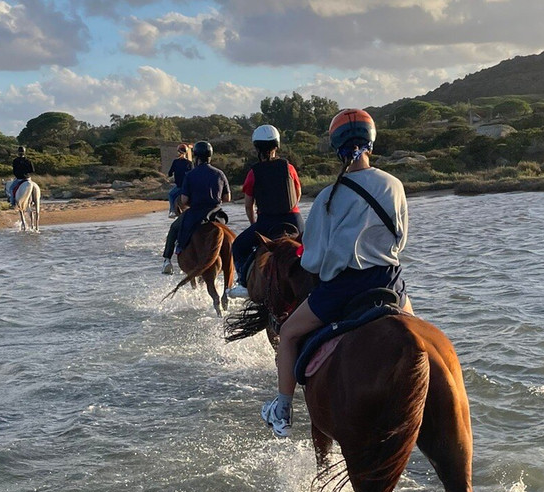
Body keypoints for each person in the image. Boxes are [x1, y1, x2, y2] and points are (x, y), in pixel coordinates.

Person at [260, 108, 409, 438]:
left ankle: (282, 411)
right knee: (420, 338)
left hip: (344, 289)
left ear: (336, 147)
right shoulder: (394, 184)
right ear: (371, 142)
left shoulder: (329, 196)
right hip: (390, 282)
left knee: (288, 334)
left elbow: (312, 261)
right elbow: (401, 240)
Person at [227, 124, 304, 298]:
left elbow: (248, 205)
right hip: (293, 219)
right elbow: (298, 193)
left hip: (266, 222)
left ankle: (243, 283)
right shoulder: (289, 168)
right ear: (277, 145)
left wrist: (254, 224)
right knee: (312, 246)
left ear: (256, 148)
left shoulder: (253, 173)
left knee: (238, 247)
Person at [162, 140, 230, 273]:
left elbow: (184, 200)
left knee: (174, 228)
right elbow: (227, 198)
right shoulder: (219, 174)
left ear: (196, 157)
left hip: (195, 213)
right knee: (228, 236)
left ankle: (167, 261)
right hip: (216, 213)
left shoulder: (190, 175)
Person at [166, 143, 193, 218]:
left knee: (171, 195)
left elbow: (170, 173)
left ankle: (172, 211)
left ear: (178, 152)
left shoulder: (176, 162)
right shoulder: (189, 163)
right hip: (188, 187)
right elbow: (192, 175)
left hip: (180, 186)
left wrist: (169, 176)